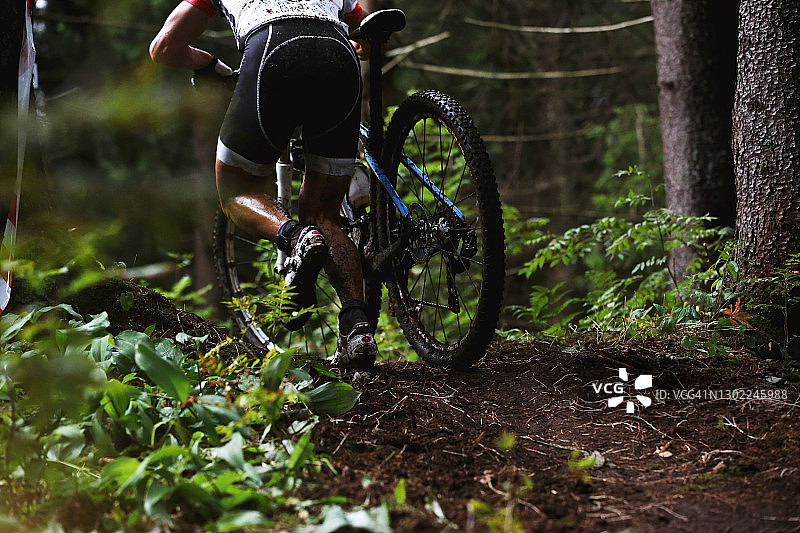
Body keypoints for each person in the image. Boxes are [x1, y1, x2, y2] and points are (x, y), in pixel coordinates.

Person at [149, 0, 378, 369]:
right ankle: (358, 328)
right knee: (325, 212)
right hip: (338, 53)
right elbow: (370, 35)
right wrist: (357, 46)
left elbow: (163, 48)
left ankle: (295, 238)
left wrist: (208, 65)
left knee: (235, 191)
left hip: (274, 46)